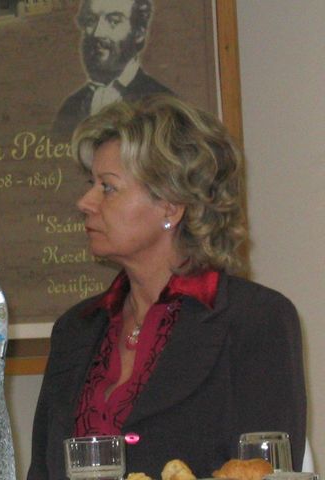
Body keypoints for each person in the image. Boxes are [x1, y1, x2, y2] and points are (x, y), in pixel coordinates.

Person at [29, 95, 306, 479]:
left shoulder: (255, 320)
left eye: (107, 187)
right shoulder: (75, 328)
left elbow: (262, 472)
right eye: (91, 184)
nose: (85, 202)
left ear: (171, 206)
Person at [52, 0, 172, 137]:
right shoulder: (70, 107)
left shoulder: (164, 104)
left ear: (139, 33)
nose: (98, 33)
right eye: (91, 21)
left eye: (114, 21)